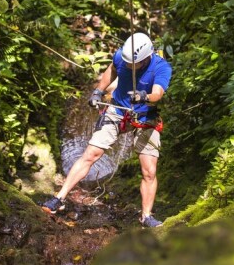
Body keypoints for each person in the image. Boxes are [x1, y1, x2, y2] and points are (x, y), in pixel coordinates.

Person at [41, 32, 172, 228]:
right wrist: (99, 91)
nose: (128, 65)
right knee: (91, 154)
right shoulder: (122, 56)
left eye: (132, 64)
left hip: (146, 117)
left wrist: (144, 96)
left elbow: (158, 93)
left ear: (145, 59)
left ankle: (146, 216)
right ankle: (58, 198)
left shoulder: (161, 67)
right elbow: (112, 70)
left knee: (149, 171)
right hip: (118, 111)